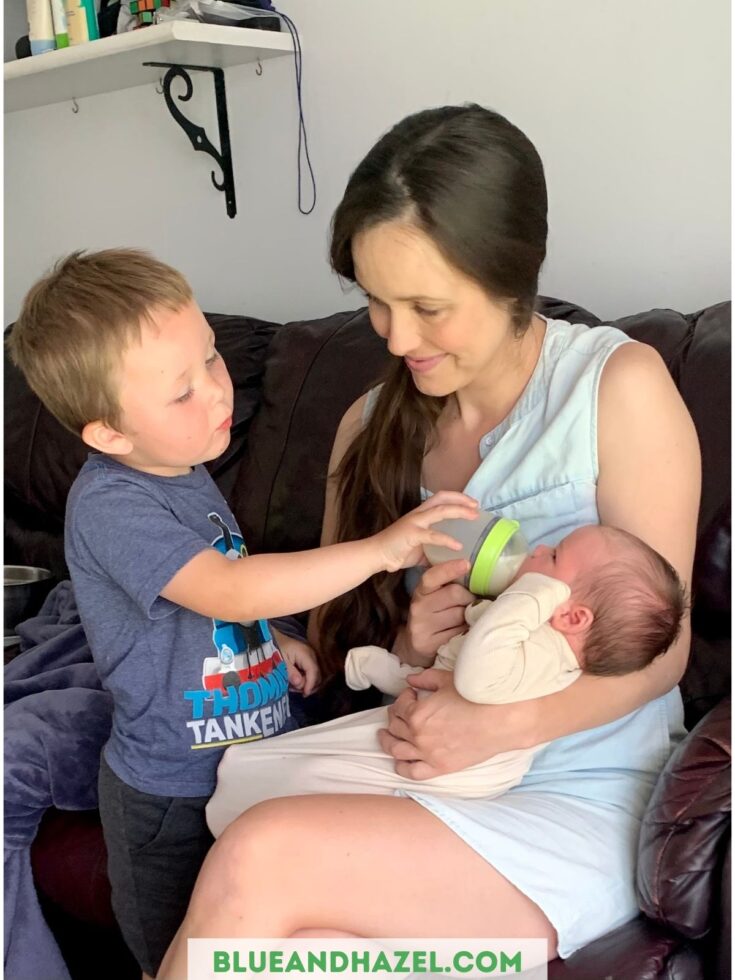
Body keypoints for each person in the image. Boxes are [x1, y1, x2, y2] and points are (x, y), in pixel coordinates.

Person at [159, 103, 700, 977]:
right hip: (419, 765)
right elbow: (331, 644)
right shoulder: (368, 425)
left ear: (512, 275)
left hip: (581, 795)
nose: (397, 338)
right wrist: (406, 638)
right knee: (284, 944)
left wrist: (505, 724)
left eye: (427, 307)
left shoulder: (614, 387)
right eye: (375, 301)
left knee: (261, 859)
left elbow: (665, 646)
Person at [6, 249, 480, 980]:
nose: (217, 391)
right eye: (181, 391)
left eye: (212, 360)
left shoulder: (184, 466)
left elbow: (227, 605)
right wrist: (381, 550)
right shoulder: (112, 503)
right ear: (107, 434)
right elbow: (227, 588)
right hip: (172, 793)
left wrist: (272, 640)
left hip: (255, 762)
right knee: (183, 959)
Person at [206, 525, 687, 832]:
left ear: (572, 617)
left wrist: (531, 594)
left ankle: (248, 802)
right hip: (434, 717)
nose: (540, 548)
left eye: (555, 558)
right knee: (310, 766)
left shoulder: (545, 650)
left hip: (460, 762)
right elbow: (451, 674)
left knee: (303, 773)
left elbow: (476, 678)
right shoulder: (536, 642)